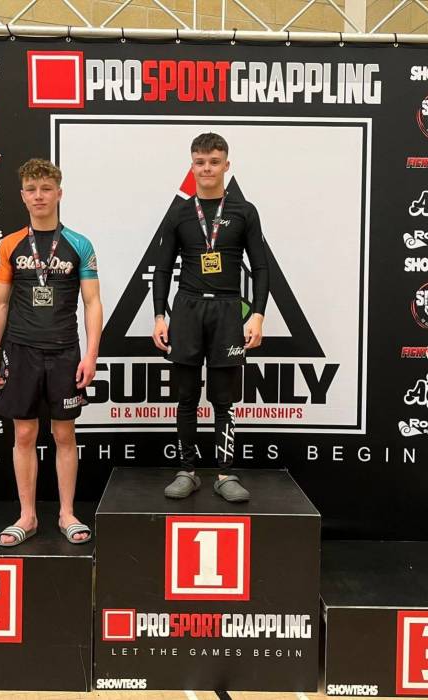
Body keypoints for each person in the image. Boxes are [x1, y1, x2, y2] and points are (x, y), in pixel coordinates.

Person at [0, 158, 102, 546]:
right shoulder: (10, 244)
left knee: (64, 433)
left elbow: (92, 302)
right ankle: (28, 516)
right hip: (21, 351)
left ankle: (67, 513)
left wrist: (91, 355)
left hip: (65, 351)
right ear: (22, 196)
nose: (39, 196)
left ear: (59, 193)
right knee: (24, 433)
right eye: (32, 190)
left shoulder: (80, 244)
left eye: (46, 189)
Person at [152, 133, 269, 502]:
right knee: (186, 396)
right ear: (192, 166)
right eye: (200, 162)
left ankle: (225, 473)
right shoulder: (179, 213)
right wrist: (159, 316)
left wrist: (258, 315)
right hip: (187, 309)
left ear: (226, 165)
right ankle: (186, 470)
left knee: (223, 399)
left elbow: (261, 268)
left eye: (214, 162)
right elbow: (162, 268)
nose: (207, 168)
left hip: (227, 311)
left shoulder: (244, 211)